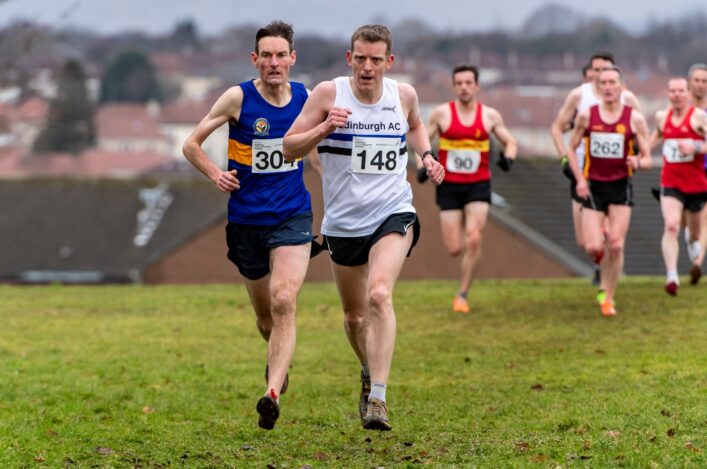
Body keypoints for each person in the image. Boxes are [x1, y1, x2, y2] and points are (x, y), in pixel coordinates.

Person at [283, 24, 444, 431]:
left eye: (376, 60)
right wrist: (324, 129)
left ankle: (379, 399)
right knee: (355, 319)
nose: (367, 67)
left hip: (393, 213)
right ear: (349, 58)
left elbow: (416, 125)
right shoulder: (328, 94)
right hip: (342, 223)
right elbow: (289, 145)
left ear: (389, 62)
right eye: (361, 58)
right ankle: (368, 371)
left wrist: (426, 156)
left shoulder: (403, 95)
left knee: (379, 294)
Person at [182, 21, 321, 431]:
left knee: (284, 300)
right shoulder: (237, 98)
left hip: (293, 215)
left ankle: (271, 392)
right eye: (267, 56)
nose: (274, 63)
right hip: (246, 220)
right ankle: (278, 363)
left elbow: (318, 150)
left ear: (292, 59)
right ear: (255, 59)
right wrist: (214, 174)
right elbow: (190, 144)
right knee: (266, 319)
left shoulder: (305, 98)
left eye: (281, 55)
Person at [425, 64, 517, 313]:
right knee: (455, 248)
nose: (464, 87)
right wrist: (425, 166)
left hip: (478, 184)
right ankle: (465, 255)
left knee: (475, 237)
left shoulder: (489, 116)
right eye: (459, 83)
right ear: (454, 86)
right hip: (449, 186)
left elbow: (510, 141)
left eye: (468, 83)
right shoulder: (441, 114)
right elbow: (421, 141)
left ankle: (462, 294)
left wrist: (508, 158)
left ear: (476, 86)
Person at [550, 53, 641, 302]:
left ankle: (607, 290)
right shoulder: (580, 97)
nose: (602, 77)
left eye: (607, 72)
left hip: (618, 176)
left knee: (615, 241)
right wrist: (565, 159)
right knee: (587, 243)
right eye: (597, 71)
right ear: (590, 74)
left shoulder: (629, 101)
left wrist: (637, 158)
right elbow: (557, 128)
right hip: (583, 172)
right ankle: (599, 251)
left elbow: (638, 137)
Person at [566, 66, 651, 316]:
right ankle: (601, 262)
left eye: (613, 82)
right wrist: (579, 179)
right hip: (594, 185)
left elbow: (647, 158)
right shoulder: (586, 116)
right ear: (597, 87)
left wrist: (638, 162)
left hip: (621, 187)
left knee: (616, 244)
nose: (608, 87)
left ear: (621, 86)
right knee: (593, 246)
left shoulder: (633, 118)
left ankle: (608, 297)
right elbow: (571, 149)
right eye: (603, 83)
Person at [649, 77, 707, 294]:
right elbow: (658, 135)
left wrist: (696, 146)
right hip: (670, 182)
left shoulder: (699, 117)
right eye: (672, 91)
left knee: (694, 233)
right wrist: (641, 152)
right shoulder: (662, 117)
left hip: (696, 184)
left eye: (681, 91)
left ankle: (692, 242)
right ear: (668, 94)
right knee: (671, 224)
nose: (677, 95)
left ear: (688, 93)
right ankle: (672, 276)